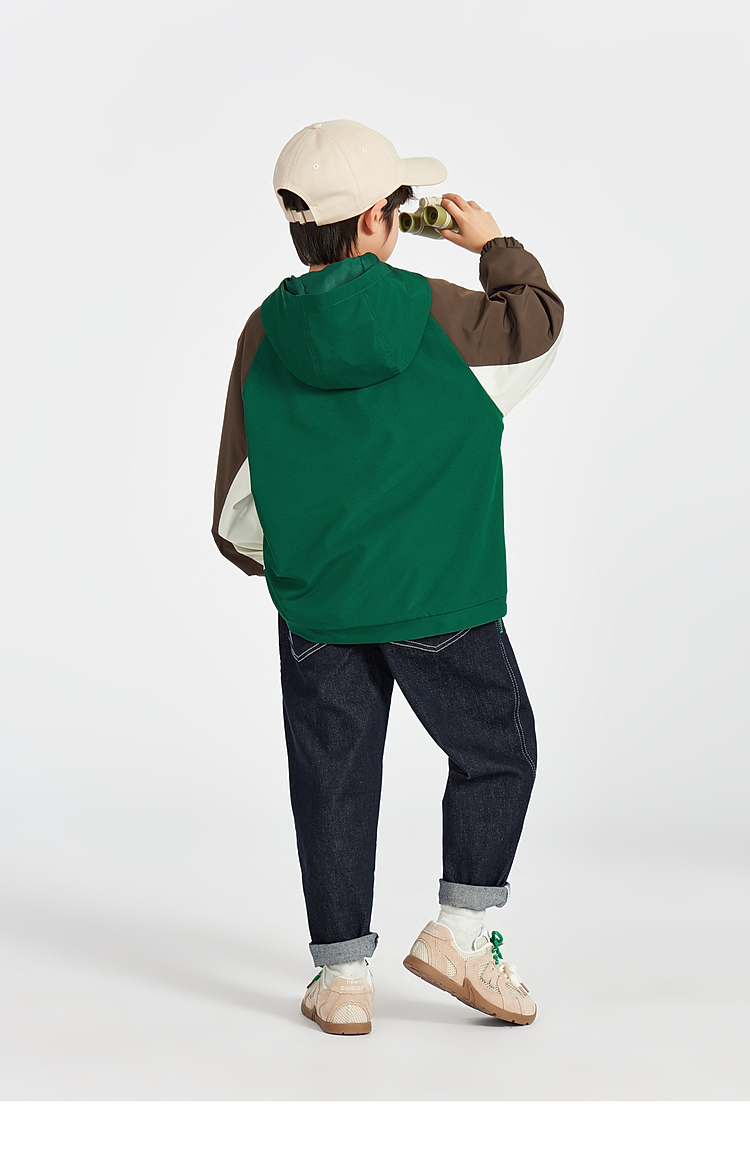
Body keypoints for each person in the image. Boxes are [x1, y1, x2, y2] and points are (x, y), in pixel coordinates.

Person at [212, 119, 565, 1036]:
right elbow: (538, 326)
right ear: (379, 219)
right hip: (439, 597)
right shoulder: (445, 316)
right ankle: (463, 933)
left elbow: (240, 496)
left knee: (330, 777)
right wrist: (492, 246)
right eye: (399, 207)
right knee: (498, 751)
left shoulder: (264, 332)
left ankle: (341, 980)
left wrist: (289, 564)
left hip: (320, 606)